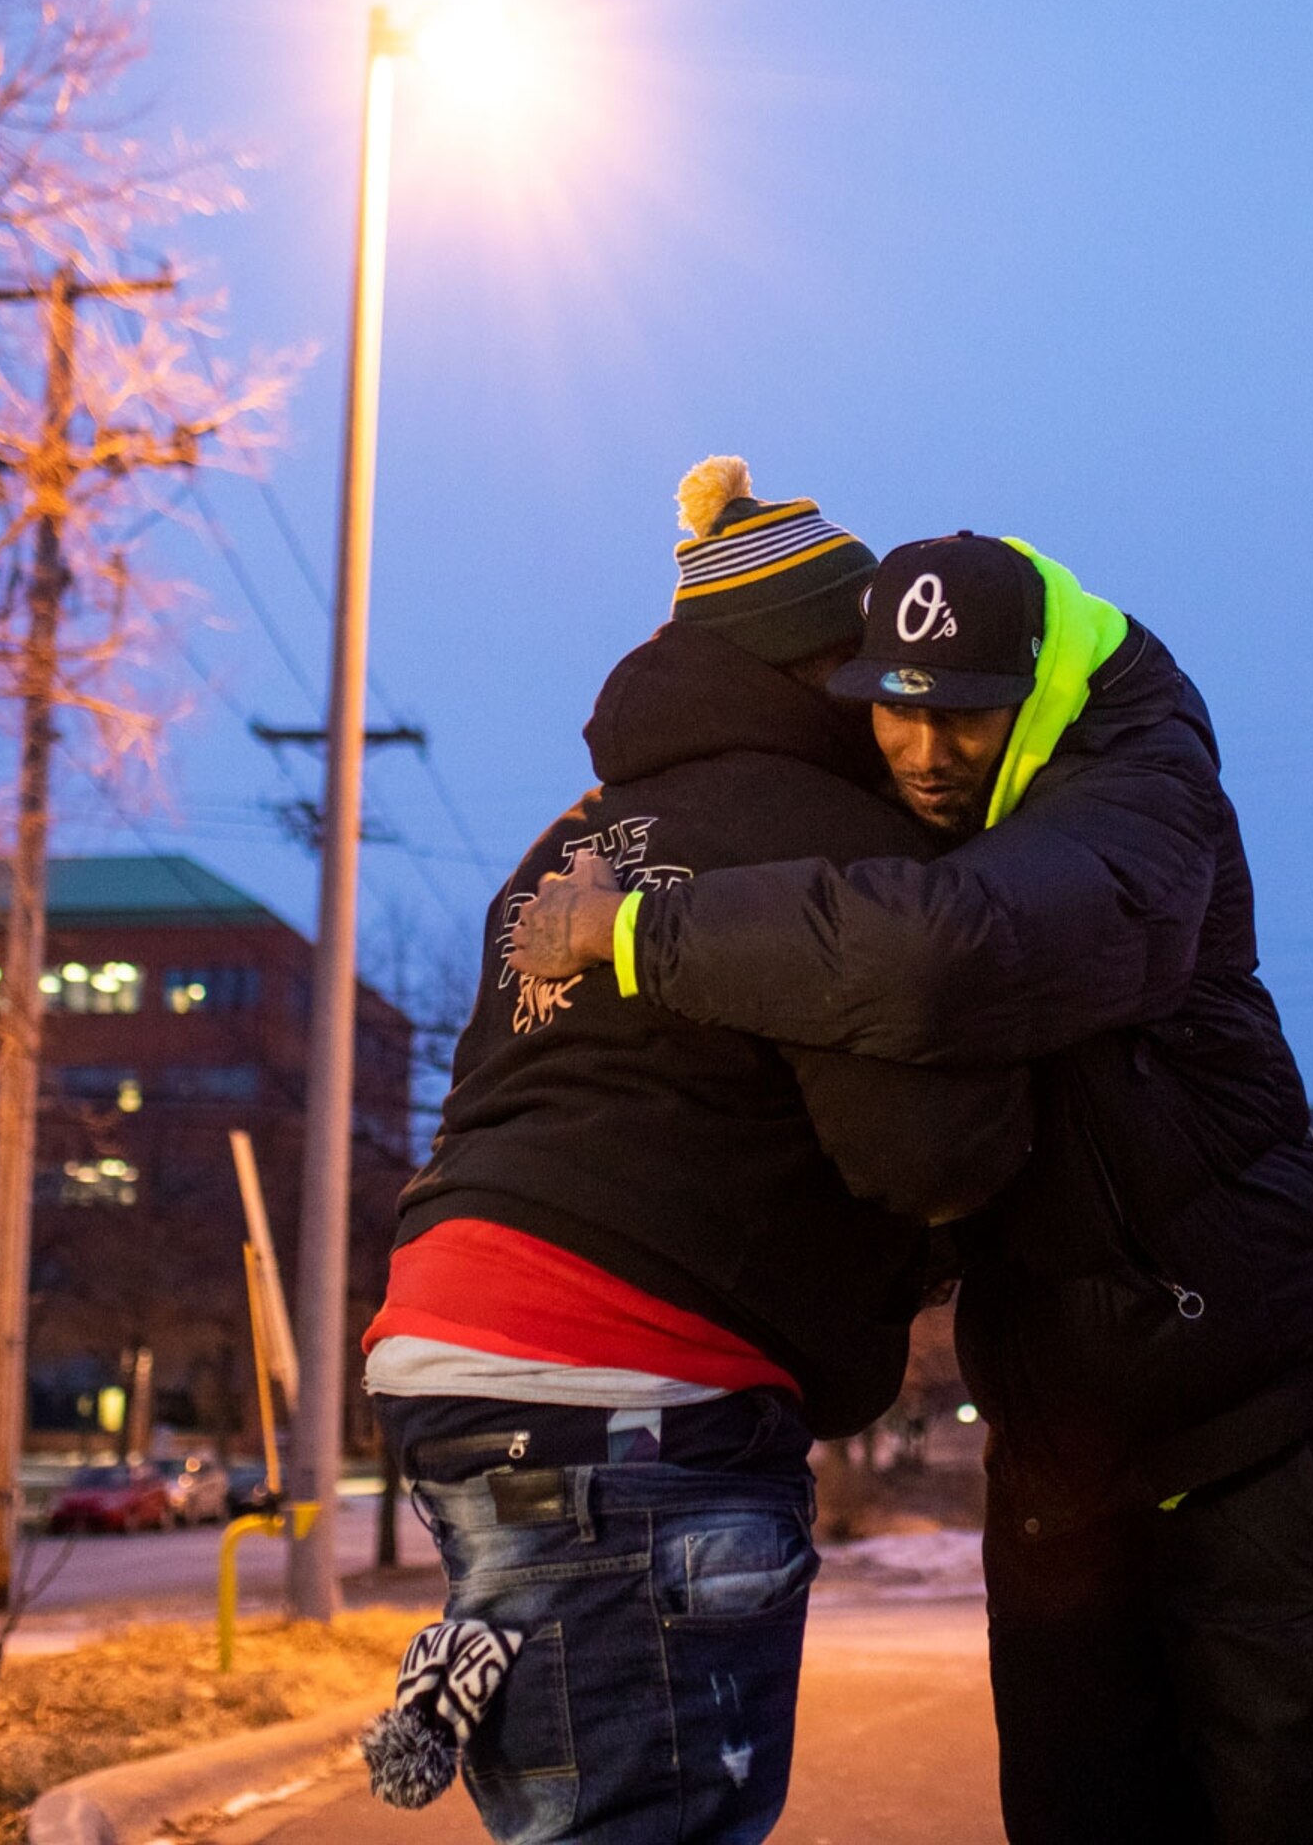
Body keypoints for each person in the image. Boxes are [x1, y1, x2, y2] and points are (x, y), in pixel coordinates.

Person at [512, 531, 1313, 1845]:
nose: (927, 757)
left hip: (1248, 1420)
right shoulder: (936, 825)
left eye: (968, 722)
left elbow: (951, 962)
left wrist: (640, 933)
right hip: (1058, 1447)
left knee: (1295, 1815)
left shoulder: (1142, 797)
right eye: (896, 717)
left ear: (1034, 693)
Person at [364, 466, 1032, 1845]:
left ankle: (521, 1636)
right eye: (874, 677)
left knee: (592, 1777)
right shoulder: (835, 847)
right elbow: (922, 1151)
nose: (901, 716)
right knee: (656, 1821)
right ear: (815, 668)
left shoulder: (565, 842)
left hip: (447, 1349)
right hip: (633, 1387)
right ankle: (550, 1648)